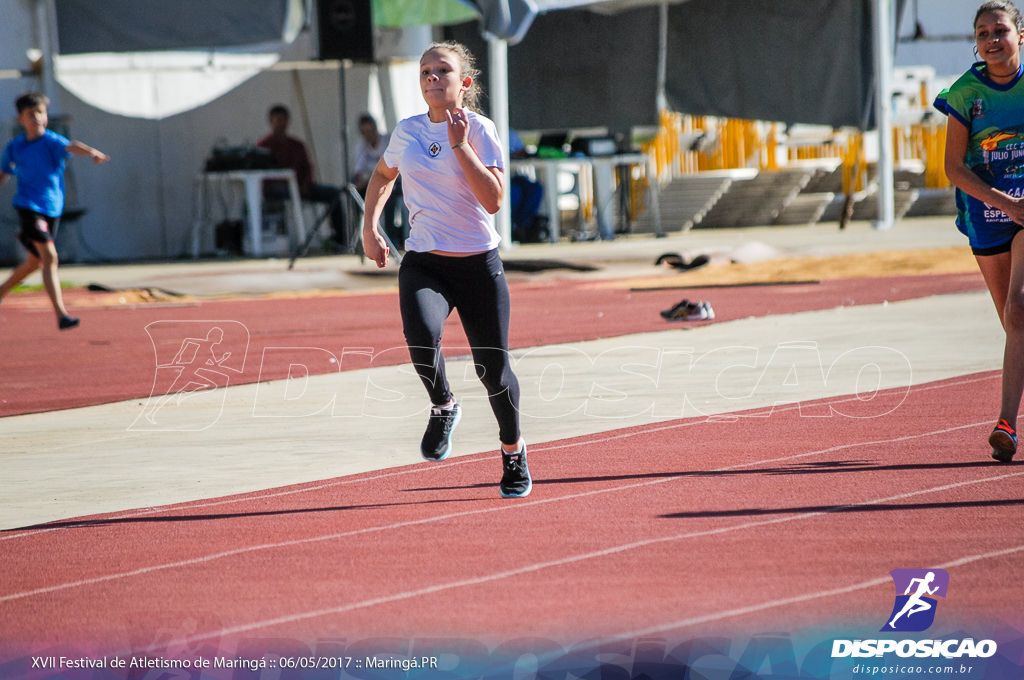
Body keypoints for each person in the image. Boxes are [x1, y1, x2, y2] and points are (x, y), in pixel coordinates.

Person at [361, 41, 531, 498]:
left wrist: (459, 146)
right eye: (425, 72)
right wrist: (370, 227)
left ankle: (512, 452)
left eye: (442, 70)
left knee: (493, 371)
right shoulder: (407, 131)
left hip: (477, 264)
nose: (433, 77)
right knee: (420, 338)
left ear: (464, 82)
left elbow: (494, 201)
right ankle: (443, 405)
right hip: (425, 262)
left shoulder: (480, 129)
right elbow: (382, 176)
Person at [935, 0, 1024, 463]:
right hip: (987, 213)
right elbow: (952, 167)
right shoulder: (965, 92)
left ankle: (1006, 424)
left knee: (1019, 307)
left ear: (1020, 36)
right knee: (1013, 324)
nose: (993, 39)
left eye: (1001, 31)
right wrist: (1002, 202)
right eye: (984, 33)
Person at [0, 92, 109, 330]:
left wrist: (92, 153)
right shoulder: (16, 147)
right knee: (50, 258)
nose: (37, 118)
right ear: (21, 119)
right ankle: (62, 315)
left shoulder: (51, 141)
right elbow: (3, 173)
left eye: (40, 112)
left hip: (52, 208)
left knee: (34, 263)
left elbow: (72, 147)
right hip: (28, 207)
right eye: (31, 114)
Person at [257, 104, 347, 250]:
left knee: (334, 194)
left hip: (301, 188)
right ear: (270, 122)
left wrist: (306, 184)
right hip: (277, 191)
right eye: (277, 120)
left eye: (283, 120)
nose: (280, 124)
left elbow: (307, 168)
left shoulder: (297, 145)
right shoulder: (263, 146)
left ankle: (339, 240)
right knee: (280, 192)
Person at [352, 112, 405, 248]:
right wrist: (358, 183)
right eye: (365, 132)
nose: (369, 135)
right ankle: (356, 235)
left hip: (394, 181)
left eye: (371, 131)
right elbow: (358, 171)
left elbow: (391, 170)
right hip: (373, 183)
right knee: (353, 194)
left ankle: (391, 237)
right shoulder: (361, 147)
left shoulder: (388, 140)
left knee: (389, 198)